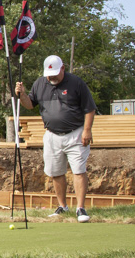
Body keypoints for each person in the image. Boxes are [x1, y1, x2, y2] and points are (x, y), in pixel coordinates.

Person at [16, 55, 96, 222]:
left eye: (54, 74)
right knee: (56, 172)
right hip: (52, 135)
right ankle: (63, 206)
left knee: (79, 170)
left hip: (75, 134)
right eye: (49, 74)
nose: (51, 78)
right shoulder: (40, 83)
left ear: (63, 68)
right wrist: (22, 95)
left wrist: (87, 131)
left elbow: (89, 109)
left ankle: (80, 208)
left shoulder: (76, 83)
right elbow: (30, 104)